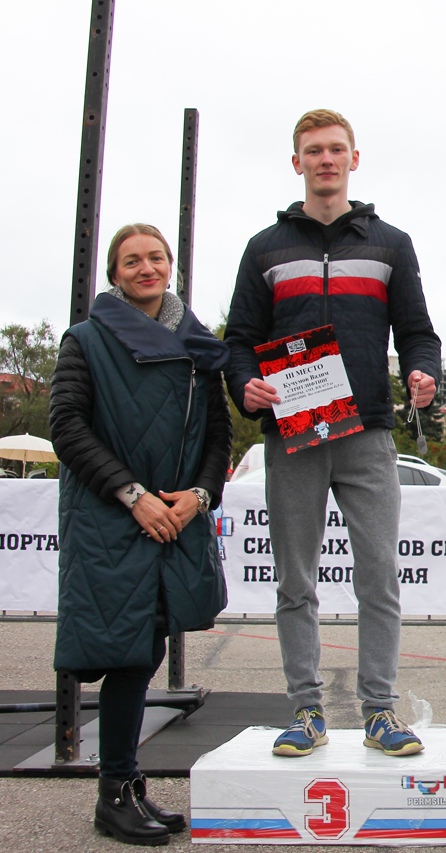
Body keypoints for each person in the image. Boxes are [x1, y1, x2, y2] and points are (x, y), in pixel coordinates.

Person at [225, 109, 441, 757]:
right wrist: (245, 385)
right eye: (314, 150)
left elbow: (419, 332)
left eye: (336, 149)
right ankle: (306, 711)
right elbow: (238, 341)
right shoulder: (265, 248)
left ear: (354, 158)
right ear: (297, 162)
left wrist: (424, 374)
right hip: (291, 433)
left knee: (379, 578)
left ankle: (380, 711)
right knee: (295, 582)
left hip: (367, 432)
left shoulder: (390, 244)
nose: (325, 159)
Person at [50, 224, 231, 845]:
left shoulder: (199, 346)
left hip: (173, 517)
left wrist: (198, 497)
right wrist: (133, 495)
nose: (146, 268)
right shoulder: (85, 340)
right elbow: (66, 427)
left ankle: (126, 785)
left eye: (155, 257)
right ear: (114, 274)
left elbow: (217, 436)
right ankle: (114, 793)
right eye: (132, 261)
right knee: (127, 654)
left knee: (146, 648)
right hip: (113, 517)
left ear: (170, 265)